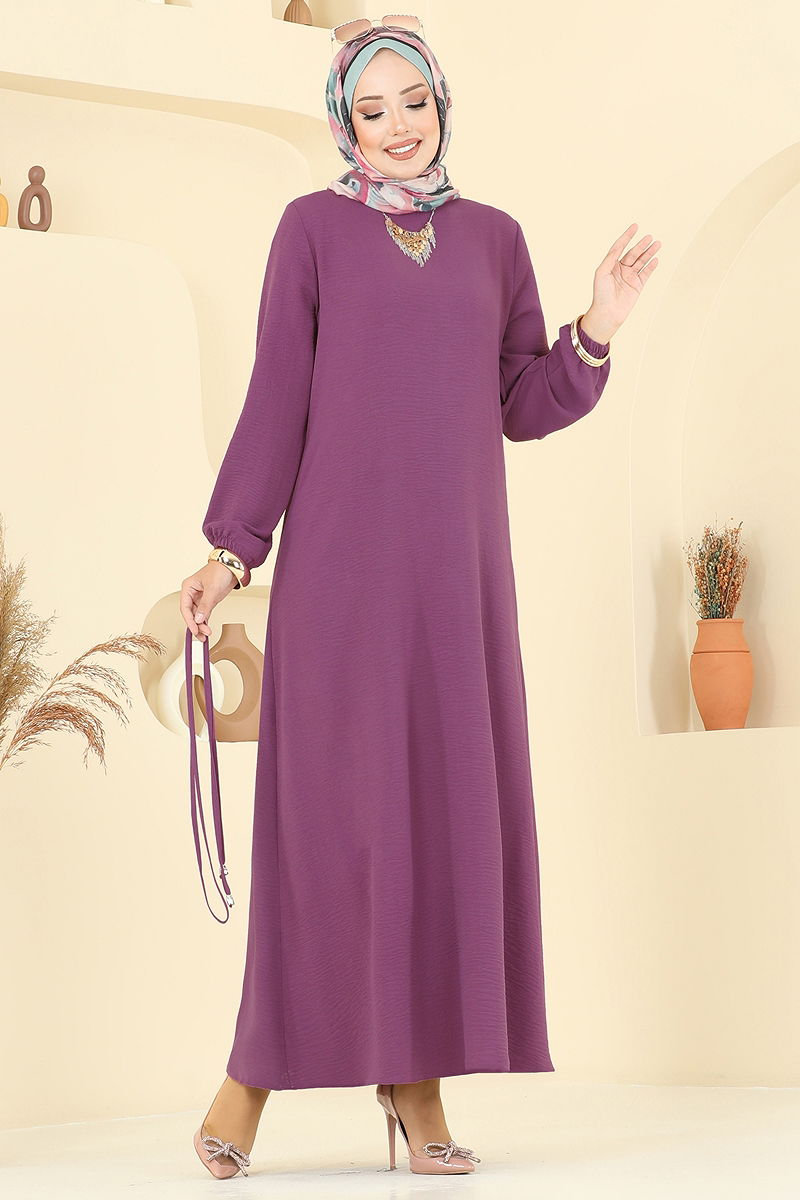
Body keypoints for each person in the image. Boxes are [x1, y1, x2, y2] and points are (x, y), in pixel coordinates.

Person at [180, 17, 659, 1180]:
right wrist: (231, 550)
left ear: (442, 104)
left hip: (455, 588)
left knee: (441, 826)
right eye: (372, 108)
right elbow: (277, 394)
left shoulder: (494, 239)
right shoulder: (310, 230)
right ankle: (249, 1079)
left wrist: (597, 323)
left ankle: (417, 1084)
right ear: (342, 120)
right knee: (328, 835)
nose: (397, 126)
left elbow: (523, 400)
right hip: (339, 583)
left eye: (415, 102)